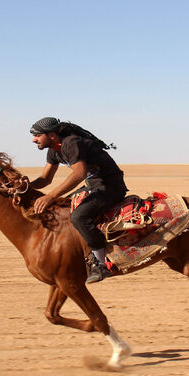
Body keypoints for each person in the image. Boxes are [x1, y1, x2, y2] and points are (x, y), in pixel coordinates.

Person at [29, 117, 128, 284]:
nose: (34, 140)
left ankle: (102, 264)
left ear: (52, 135)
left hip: (110, 187)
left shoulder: (71, 143)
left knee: (79, 216)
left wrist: (50, 196)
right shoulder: (53, 150)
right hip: (94, 186)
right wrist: (24, 188)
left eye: (37, 135)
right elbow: (46, 179)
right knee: (63, 211)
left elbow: (79, 174)